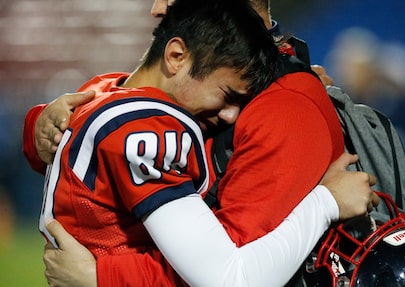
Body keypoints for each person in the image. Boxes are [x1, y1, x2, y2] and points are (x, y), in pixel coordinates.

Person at [24, 0, 379, 286]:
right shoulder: (150, 119)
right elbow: (230, 277)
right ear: (177, 55)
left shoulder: (106, 89)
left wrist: (101, 277)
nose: (159, 8)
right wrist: (327, 202)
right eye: (226, 96)